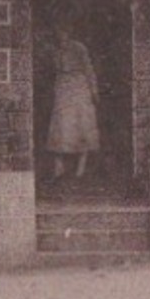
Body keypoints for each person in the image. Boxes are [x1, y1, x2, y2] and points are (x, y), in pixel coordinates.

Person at [46, 23, 100, 182]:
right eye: (58, 32)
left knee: (81, 123)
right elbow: (56, 70)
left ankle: (81, 168)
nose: (61, 34)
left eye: (64, 31)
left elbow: (88, 69)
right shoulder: (55, 50)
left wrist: (93, 90)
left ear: (69, 32)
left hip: (79, 87)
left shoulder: (79, 48)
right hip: (63, 86)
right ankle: (59, 166)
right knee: (61, 124)